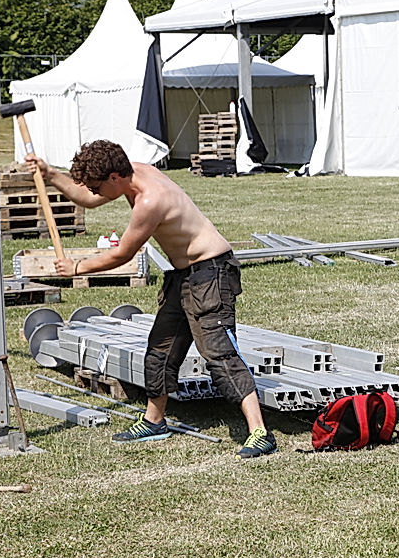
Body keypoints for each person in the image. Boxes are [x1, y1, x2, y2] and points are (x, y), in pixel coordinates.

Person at [26, 140, 277, 459]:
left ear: (114, 177)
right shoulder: (132, 174)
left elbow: (123, 254)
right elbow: (88, 198)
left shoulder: (150, 200)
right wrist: (50, 173)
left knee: (218, 351)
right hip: (184, 274)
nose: (96, 192)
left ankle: (259, 433)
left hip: (212, 272)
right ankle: (154, 422)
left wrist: (77, 267)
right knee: (161, 350)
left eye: (99, 185)